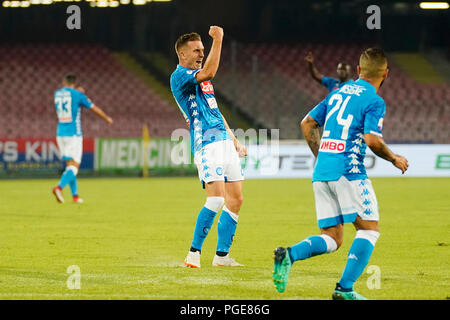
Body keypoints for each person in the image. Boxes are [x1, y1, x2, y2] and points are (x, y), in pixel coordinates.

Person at [273, 48, 409, 300]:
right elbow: (372, 139)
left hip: (322, 171)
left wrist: (321, 154)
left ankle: (288, 254)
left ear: (358, 71)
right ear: (386, 74)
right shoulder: (375, 101)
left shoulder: (337, 92)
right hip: (349, 171)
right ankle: (344, 289)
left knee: (333, 238)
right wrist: (394, 158)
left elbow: (307, 123)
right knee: (369, 229)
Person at [170, 26, 247, 268]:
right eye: (196, 50)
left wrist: (233, 140)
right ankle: (193, 254)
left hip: (223, 140)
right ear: (182, 54)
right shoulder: (180, 76)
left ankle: (221, 257)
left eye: (203, 49)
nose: (201, 53)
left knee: (236, 200)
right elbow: (211, 71)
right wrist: (219, 39)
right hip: (206, 142)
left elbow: (215, 109)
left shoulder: (202, 80)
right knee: (215, 200)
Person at [52, 74, 113, 203]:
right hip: (73, 134)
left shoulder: (57, 93)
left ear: (64, 82)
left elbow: (68, 98)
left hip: (60, 133)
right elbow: (93, 107)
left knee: (70, 166)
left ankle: (75, 196)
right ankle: (59, 187)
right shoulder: (78, 95)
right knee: (75, 167)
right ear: (74, 83)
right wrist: (106, 118)